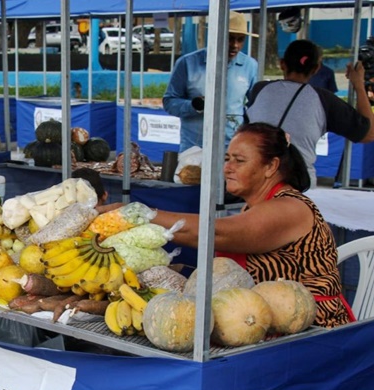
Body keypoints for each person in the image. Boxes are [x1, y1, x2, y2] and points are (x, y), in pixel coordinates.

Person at [99, 122, 352, 328]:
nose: (227, 168)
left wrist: (139, 214)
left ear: (271, 166)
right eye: (227, 158)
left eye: (239, 161)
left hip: (313, 331)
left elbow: (215, 233)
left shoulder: (289, 208)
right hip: (256, 321)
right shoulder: (253, 206)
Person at [246, 39, 374, 187]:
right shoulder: (324, 100)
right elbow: (369, 133)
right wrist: (358, 85)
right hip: (298, 184)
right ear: (316, 68)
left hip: (255, 179)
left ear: (282, 64)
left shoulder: (260, 90)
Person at [163, 12, 258, 153]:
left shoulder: (250, 66)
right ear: (216, 35)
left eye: (240, 39)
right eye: (230, 38)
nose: (235, 45)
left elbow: (256, 105)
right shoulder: (187, 63)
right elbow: (169, 101)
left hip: (232, 149)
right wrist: (194, 106)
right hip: (195, 148)